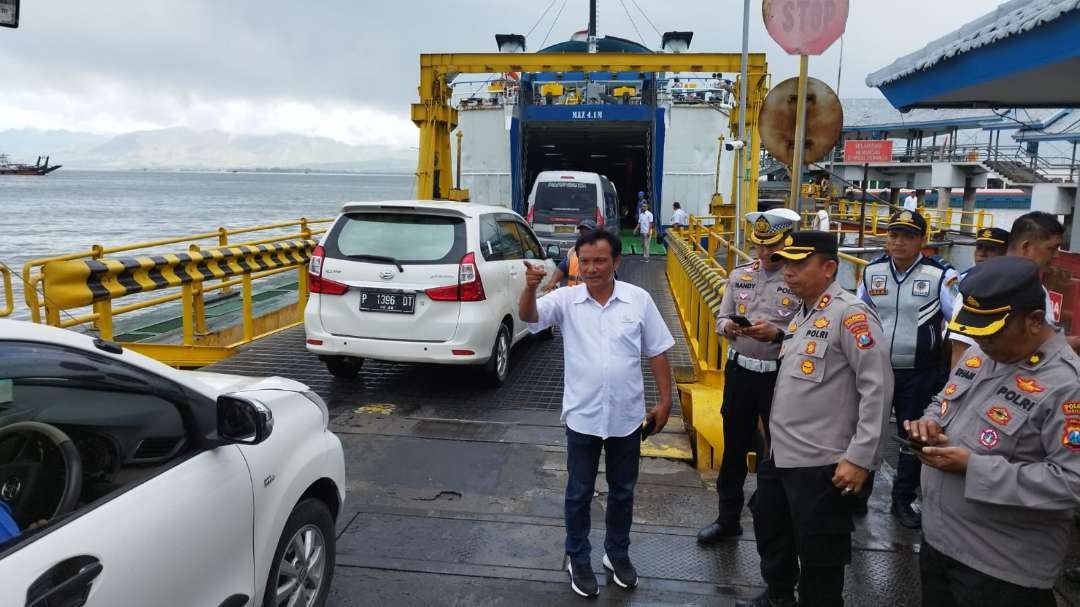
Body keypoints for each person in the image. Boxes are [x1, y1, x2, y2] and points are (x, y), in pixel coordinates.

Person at [908, 255, 1080, 607]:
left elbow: (1072, 482)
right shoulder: (984, 356)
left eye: (992, 333)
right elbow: (942, 402)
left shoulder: (1067, 385)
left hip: (1001, 567)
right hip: (940, 543)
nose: (982, 344)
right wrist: (930, 424)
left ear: (1034, 321)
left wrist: (973, 466)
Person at [518, 229, 675, 598]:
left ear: (616, 262)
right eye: (584, 261)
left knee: (623, 492)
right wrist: (529, 288)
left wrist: (666, 402)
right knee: (579, 492)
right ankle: (578, 557)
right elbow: (531, 317)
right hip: (582, 418)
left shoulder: (638, 300)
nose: (591, 268)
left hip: (626, 417)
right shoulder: (566, 299)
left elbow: (657, 351)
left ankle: (616, 554)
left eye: (599, 261)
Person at [739, 231, 893, 607]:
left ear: (828, 268)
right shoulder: (804, 313)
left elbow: (878, 388)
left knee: (820, 556)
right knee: (771, 530)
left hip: (822, 463)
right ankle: (778, 597)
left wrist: (860, 458)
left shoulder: (850, 315)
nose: (788, 271)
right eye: (786, 262)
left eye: (799, 263)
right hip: (783, 455)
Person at [697, 208, 802, 544]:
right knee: (734, 450)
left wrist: (777, 334)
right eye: (760, 246)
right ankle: (728, 518)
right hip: (740, 371)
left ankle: (776, 515)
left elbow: (811, 331)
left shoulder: (798, 280)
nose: (765, 253)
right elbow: (721, 317)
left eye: (772, 245)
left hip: (778, 378)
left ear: (787, 241)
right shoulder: (740, 275)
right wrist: (728, 326)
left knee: (781, 450)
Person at [856, 210, 959, 528]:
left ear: (922, 241)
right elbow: (858, 317)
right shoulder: (872, 271)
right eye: (894, 235)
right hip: (877, 369)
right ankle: (859, 494)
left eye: (908, 236)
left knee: (912, 438)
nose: (898, 242)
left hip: (920, 372)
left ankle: (902, 500)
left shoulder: (941, 275)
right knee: (869, 430)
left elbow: (958, 323)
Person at [949, 211, 1078, 366]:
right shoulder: (984, 285)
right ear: (1027, 247)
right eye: (1052, 248)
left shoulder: (1034, 287)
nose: (1057, 255)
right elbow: (960, 352)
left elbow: (1041, 343)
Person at [542, 220, 596, 291]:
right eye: (582, 232)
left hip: (593, 295)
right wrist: (552, 282)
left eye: (587, 232)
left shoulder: (601, 253)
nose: (584, 235)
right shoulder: (573, 252)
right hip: (573, 296)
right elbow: (561, 268)